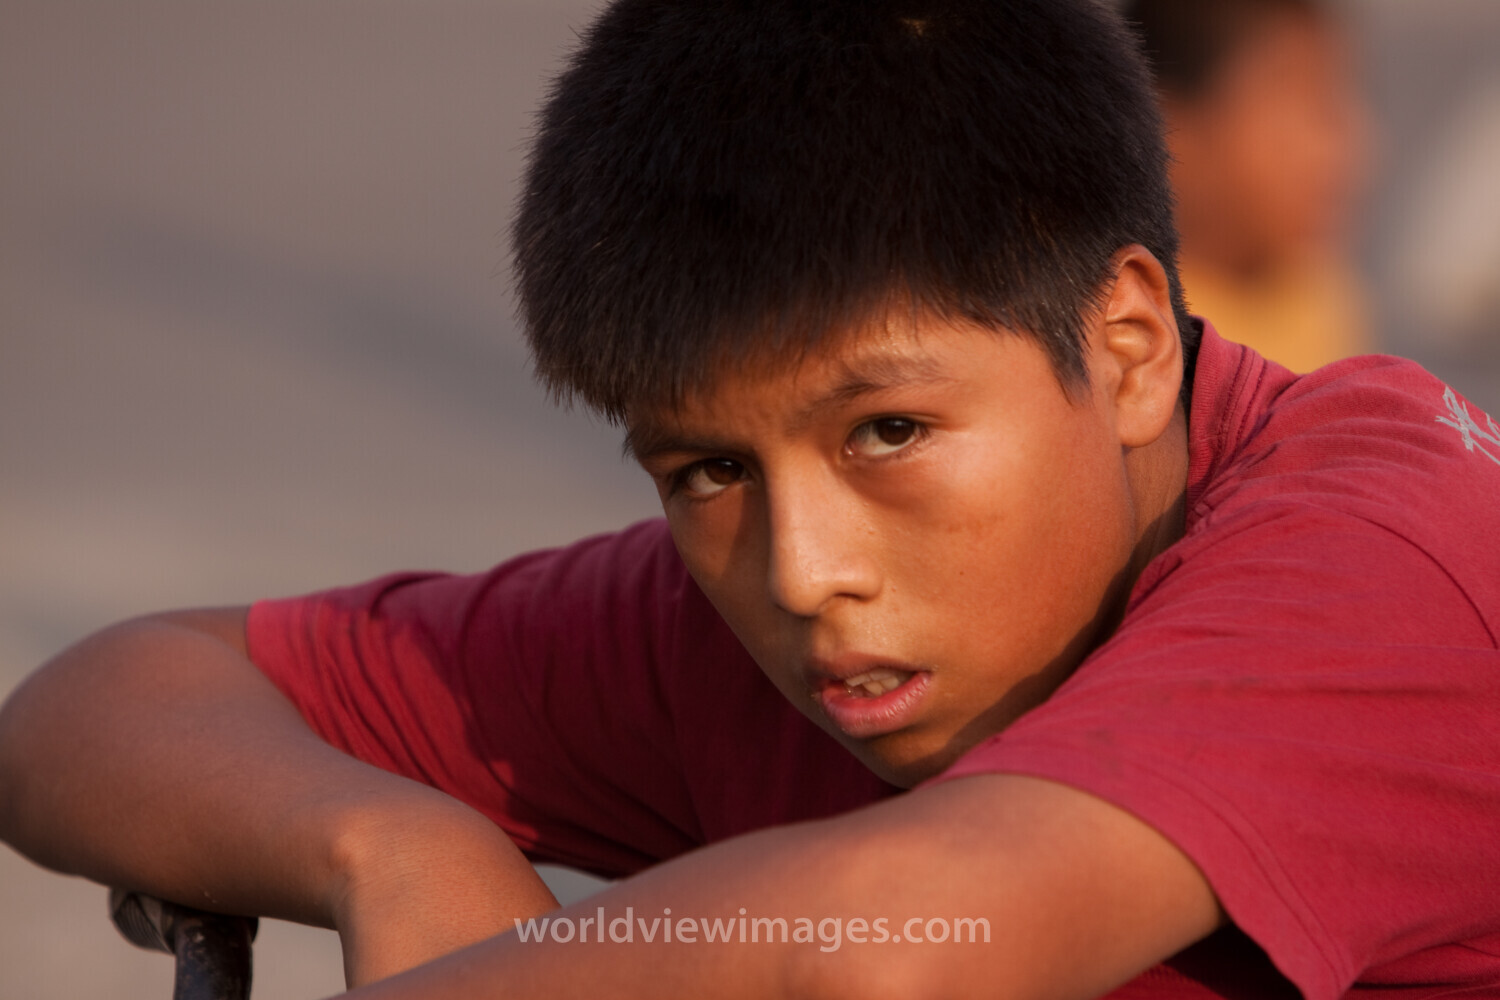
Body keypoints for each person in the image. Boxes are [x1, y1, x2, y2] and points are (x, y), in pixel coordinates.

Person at [2, 1, 1498, 997]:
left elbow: (910, 939)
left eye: (890, 430)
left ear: (1123, 349)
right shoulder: (753, 620)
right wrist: (391, 845)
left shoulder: (1388, 549)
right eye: (707, 470)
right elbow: (107, 701)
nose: (803, 571)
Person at [1123, 0, 1375, 373]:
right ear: (1172, 130)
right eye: (1297, 101)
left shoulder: (1321, 298)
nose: (1347, 145)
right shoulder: (1130, 329)